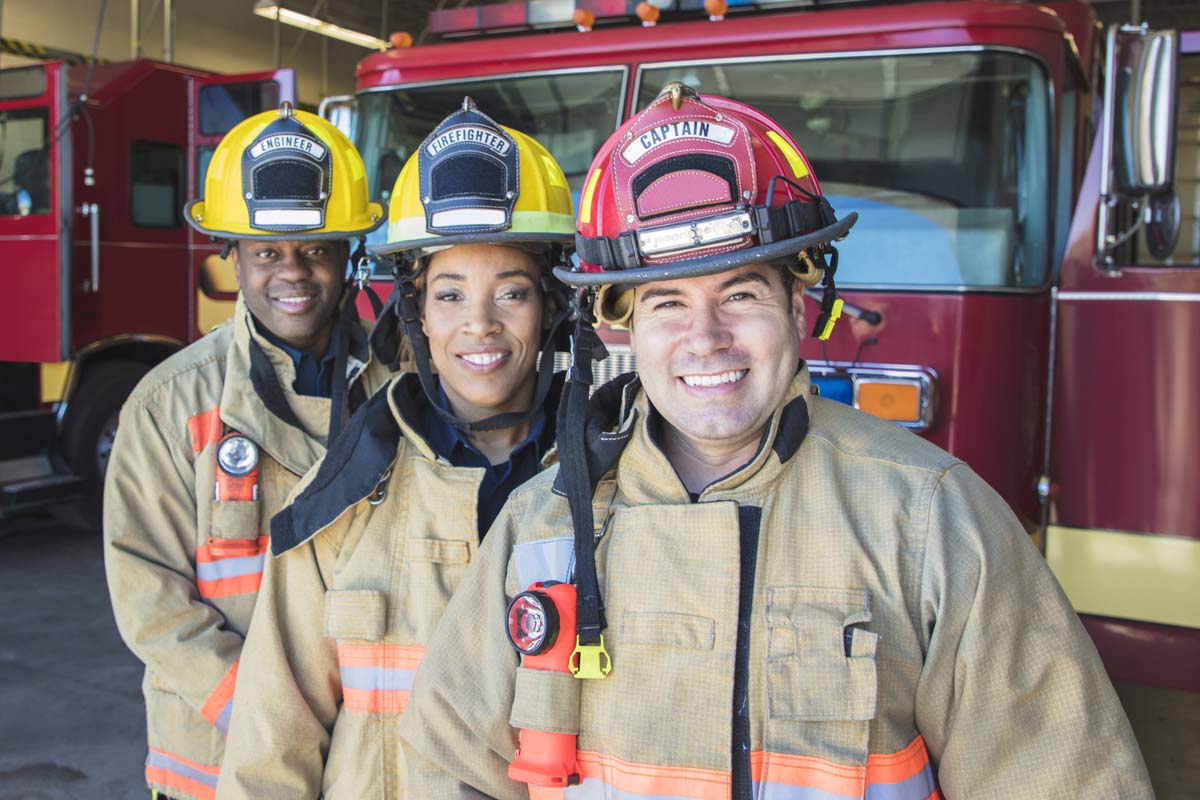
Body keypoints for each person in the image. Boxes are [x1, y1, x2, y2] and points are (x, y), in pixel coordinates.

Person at [398, 84, 1154, 799]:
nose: (706, 339)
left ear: (801, 306)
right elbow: (447, 765)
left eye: (741, 293)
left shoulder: (929, 519)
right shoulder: (544, 522)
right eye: (667, 302)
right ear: (620, 326)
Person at [214, 98, 576, 799]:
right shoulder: (343, 493)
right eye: (449, 295)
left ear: (552, 306)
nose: (480, 326)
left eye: (511, 293)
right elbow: (270, 746)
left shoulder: (611, 487)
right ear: (414, 314)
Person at [104, 103, 390, 800]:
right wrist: (267, 719)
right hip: (218, 764)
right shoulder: (170, 403)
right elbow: (151, 599)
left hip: (372, 759)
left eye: (315, 249)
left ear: (347, 253)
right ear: (231, 255)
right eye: (266, 252)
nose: (292, 272)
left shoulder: (403, 385)